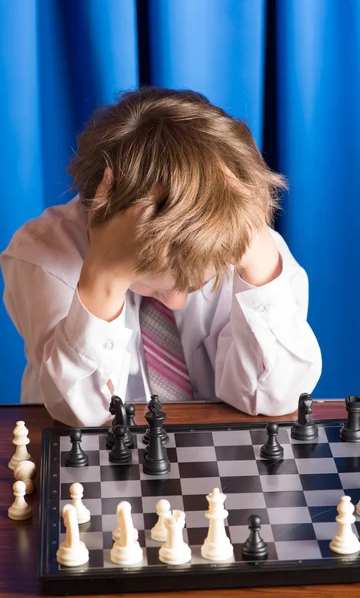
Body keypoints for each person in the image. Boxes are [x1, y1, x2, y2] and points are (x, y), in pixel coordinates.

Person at [0, 87, 322, 427]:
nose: (176, 302)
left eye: (198, 283)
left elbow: (277, 396)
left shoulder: (242, 243)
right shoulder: (42, 254)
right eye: (150, 285)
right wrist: (104, 276)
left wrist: (255, 252)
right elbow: (84, 415)